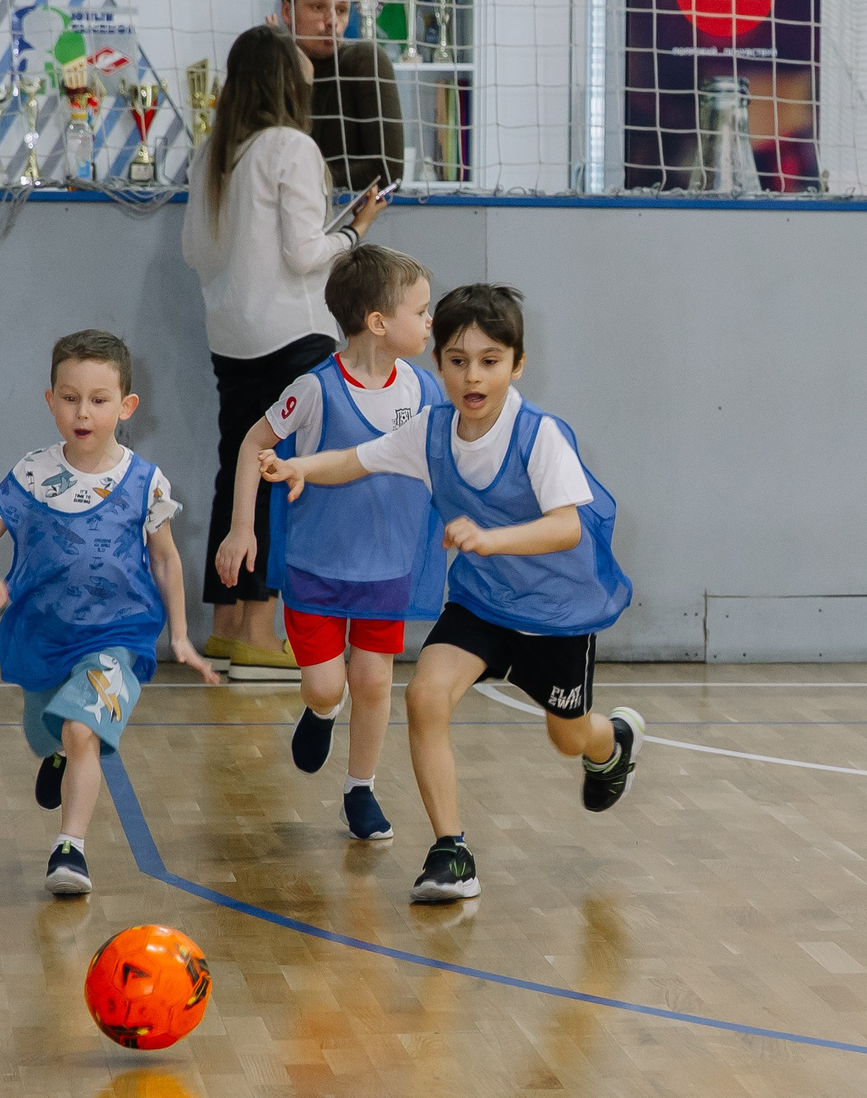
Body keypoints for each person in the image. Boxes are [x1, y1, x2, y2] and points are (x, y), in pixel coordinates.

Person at [260, 283, 645, 904]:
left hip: (554, 615)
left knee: (568, 736)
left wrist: (494, 539)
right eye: (457, 360)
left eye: (490, 361)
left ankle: (613, 744)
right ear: (436, 364)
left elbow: (568, 525)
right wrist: (303, 467)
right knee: (426, 696)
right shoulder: (431, 430)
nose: (473, 376)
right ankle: (451, 850)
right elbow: (359, 459)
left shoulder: (539, 434)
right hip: (480, 606)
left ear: (517, 366)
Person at [0, 330, 220, 896]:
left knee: (84, 729)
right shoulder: (31, 473)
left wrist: (179, 636)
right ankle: (55, 753)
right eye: (70, 397)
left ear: (126, 406)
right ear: (50, 400)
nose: (83, 412)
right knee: (50, 730)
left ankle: (71, 849)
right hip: (43, 634)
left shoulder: (145, 482)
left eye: (99, 399)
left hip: (120, 635)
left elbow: (167, 560)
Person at [214, 245, 445, 843]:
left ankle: (360, 788)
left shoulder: (423, 391)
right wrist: (243, 528)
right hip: (318, 564)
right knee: (327, 684)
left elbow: (450, 458)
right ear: (378, 323)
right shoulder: (314, 389)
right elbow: (250, 445)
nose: (430, 323)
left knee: (374, 680)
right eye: (421, 311)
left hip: (389, 565)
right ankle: (321, 711)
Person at [183, 23, 388, 680]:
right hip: (292, 336)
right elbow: (304, 255)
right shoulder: (291, 147)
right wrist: (353, 232)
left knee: (234, 473)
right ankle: (262, 631)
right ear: (285, 83)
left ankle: (224, 628)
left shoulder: (212, 149)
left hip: (230, 334)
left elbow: (197, 252)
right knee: (281, 477)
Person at [278, 0, 406, 191]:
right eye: (318, 8)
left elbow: (387, 171)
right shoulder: (269, 66)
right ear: (287, 11)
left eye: (342, 10)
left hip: (347, 220)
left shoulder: (365, 62)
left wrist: (299, 182)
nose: (332, 22)